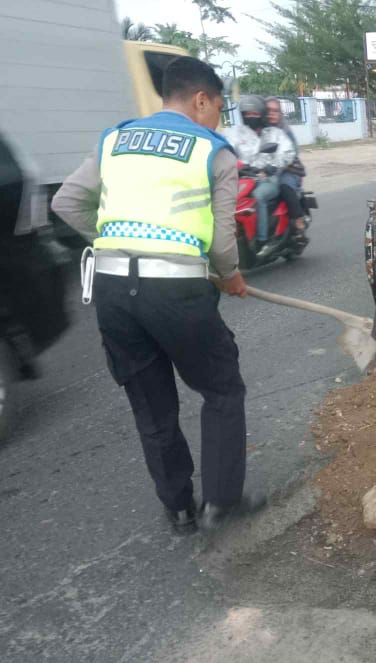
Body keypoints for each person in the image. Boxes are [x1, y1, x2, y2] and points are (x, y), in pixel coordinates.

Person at [51, 56, 266, 535]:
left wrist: (114, 243)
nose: (218, 118)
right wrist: (229, 276)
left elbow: (65, 201)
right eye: (217, 108)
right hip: (176, 291)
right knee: (221, 389)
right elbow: (222, 241)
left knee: (150, 403)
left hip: (112, 290)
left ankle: (180, 509)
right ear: (201, 100)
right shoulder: (215, 151)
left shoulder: (116, 140)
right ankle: (220, 503)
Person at [223, 95, 301, 245]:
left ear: (262, 114)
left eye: (255, 114)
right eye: (247, 114)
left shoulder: (274, 133)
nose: (251, 117)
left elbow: (288, 152)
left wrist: (273, 166)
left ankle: (262, 239)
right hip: (242, 178)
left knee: (258, 196)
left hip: (267, 178)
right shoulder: (235, 133)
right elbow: (226, 151)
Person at [265, 97, 309, 228]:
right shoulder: (261, 130)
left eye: (275, 111)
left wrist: (275, 166)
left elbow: (292, 152)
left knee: (284, 186)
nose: (271, 114)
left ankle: (298, 219)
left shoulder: (285, 131)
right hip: (267, 170)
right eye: (268, 111)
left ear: (280, 114)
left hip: (289, 170)